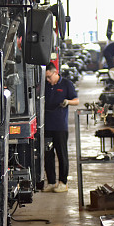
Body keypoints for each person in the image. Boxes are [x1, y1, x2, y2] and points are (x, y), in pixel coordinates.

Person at [44, 62, 79, 193]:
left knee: (62, 154)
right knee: (48, 155)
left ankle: (63, 183)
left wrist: (68, 102)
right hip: (47, 126)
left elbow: (76, 100)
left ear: (55, 72)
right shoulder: (46, 85)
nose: (48, 80)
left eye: (49, 77)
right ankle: (51, 182)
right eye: (46, 78)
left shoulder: (66, 84)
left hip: (60, 126)